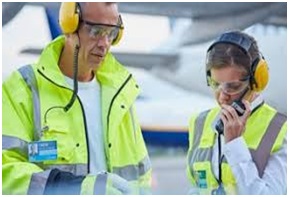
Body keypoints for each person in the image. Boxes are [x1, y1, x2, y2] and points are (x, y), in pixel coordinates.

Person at [2, 2, 152, 195]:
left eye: (111, 33)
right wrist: (78, 188)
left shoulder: (120, 95)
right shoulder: (24, 88)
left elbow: (142, 175)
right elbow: (5, 172)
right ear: (68, 25)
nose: (104, 43)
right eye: (96, 31)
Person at [186, 31, 287, 195]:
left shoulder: (279, 129)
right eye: (215, 84)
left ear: (257, 81)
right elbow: (196, 188)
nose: (222, 96)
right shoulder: (199, 122)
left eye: (232, 87)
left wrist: (235, 145)